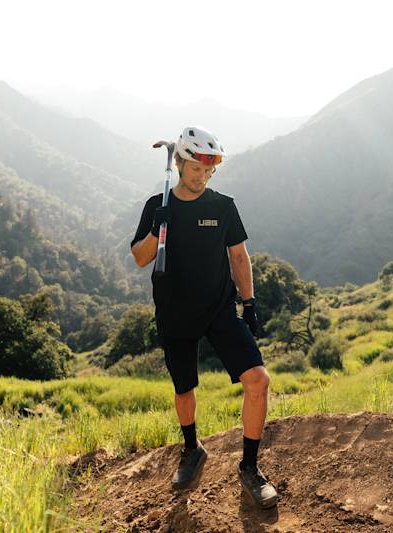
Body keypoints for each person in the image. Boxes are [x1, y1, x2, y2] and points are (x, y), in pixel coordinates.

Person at [130, 126, 278, 509]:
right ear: (180, 164)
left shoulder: (223, 206)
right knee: (184, 390)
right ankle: (192, 448)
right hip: (175, 312)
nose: (203, 176)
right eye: (197, 168)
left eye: (209, 170)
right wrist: (158, 228)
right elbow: (141, 257)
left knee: (258, 380)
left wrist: (250, 303)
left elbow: (239, 256)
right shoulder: (157, 205)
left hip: (219, 309)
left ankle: (249, 467)